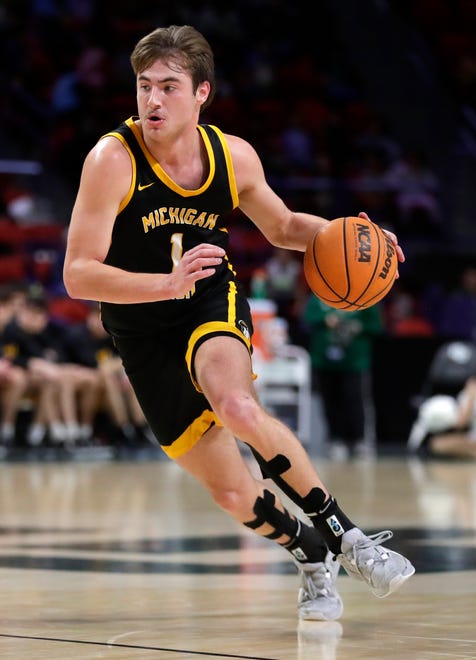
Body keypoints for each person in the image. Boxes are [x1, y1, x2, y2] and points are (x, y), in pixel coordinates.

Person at [63, 24, 414, 622]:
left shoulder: (233, 155)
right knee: (229, 491)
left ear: (202, 93)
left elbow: (281, 228)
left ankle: (348, 538)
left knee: (239, 407)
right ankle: (309, 554)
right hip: (139, 326)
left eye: (169, 87)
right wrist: (163, 285)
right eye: (144, 86)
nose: (152, 101)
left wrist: (350, 236)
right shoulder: (111, 159)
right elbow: (77, 273)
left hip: (207, 299)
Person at [302, 296, 384, 459]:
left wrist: (358, 326)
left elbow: (376, 326)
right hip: (324, 360)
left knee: (355, 400)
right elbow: (307, 318)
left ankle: (359, 440)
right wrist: (326, 319)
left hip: (354, 361)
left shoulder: (365, 295)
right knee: (330, 401)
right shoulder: (319, 295)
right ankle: (334, 439)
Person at [408, 378, 476, 458]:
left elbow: (461, 422)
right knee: (437, 444)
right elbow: (461, 422)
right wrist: (470, 396)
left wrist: (471, 396)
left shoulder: (470, 393)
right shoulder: (465, 394)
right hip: (472, 437)